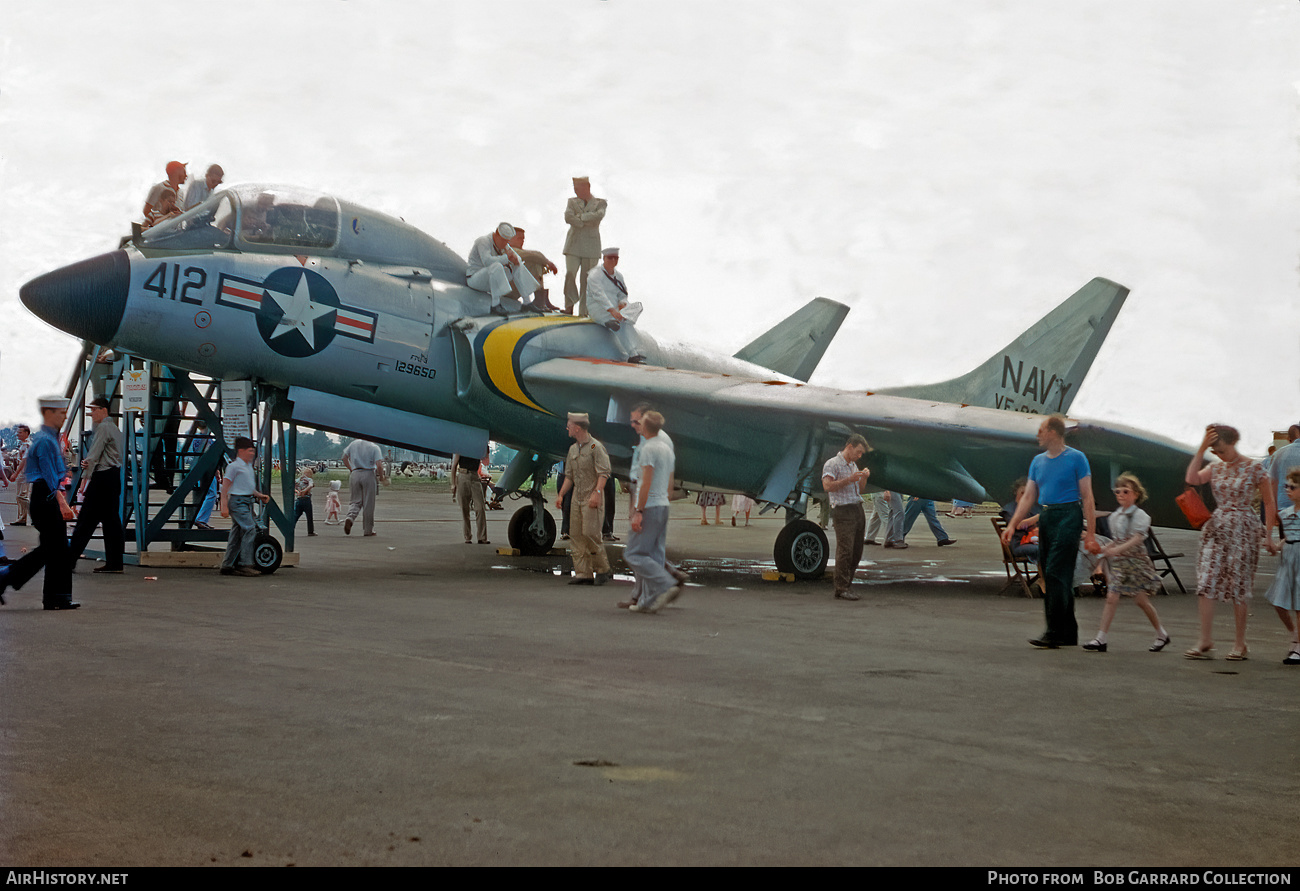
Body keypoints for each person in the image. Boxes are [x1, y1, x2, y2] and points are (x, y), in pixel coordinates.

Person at [1003, 414, 1097, 649]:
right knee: (1054, 572)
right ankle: (1068, 632)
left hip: (1069, 514)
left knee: (1056, 570)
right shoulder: (1037, 461)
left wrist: (1092, 533)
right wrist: (1013, 523)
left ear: (1053, 432)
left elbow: (1087, 496)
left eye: (1042, 430)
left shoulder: (1077, 458)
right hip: (1047, 516)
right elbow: (1029, 496)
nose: (1038, 435)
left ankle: (1053, 631)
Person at [1184, 424, 1276, 660]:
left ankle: (1240, 643)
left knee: (1239, 584)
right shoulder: (1215, 467)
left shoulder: (1254, 468)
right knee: (1206, 581)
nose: (1218, 454)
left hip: (1244, 528)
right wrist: (1202, 448)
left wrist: (1268, 534)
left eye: (1221, 449)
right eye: (1214, 451)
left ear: (1233, 443)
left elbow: (1268, 502)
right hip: (1217, 527)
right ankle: (1205, 639)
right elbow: (1192, 478)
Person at [0, 397, 79, 609]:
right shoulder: (45, 441)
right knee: (54, 549)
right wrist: (62, 502)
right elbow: (49, 475)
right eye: (60, 413)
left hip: (47, 495)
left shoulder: (51, 439)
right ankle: (9, 579)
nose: (63, 417)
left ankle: (56, 597)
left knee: (55, 549)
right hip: (46, 496)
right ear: (48, 414)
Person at [1081, 473, 1171, 653]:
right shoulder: (1115, 516)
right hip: (1121, 564)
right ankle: (1101, 638)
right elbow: (1118, 539)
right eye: (1118, 492)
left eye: (1125, 491)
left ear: (1136, 494)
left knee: (1141, 601)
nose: (1121, 495)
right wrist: (1105, 549)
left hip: (1136, 563)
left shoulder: (1140, 516)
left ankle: (1161, 633)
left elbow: (1137, 539)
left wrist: (1116, 549)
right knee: (1112, 597)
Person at [624, 411, 680, 613]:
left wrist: (638, 510)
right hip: (662, 505)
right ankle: (647, 602)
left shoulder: (648, 449)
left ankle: (666, 583)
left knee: (634, 553)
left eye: (639, 423)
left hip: (650, 506)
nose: (635, 425)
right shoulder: (667, 448)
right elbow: (670, 480)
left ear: (646, 427)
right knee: (655, 553)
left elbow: (646, 482)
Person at [67, 396, 125, 573]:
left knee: (86, 520)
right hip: (114, 477)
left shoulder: (103, 428)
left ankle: (68, 562)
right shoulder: (115, 429)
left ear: (103, 410)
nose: (91, 413)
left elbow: (93, 456)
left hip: (102, 478)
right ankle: (115, 563)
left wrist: (85, 479)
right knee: (111, 522)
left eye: (93, 409)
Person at [554, 413, 611, 586]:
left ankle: (603, 569)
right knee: (576, 535)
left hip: (591, 497)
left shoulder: (595, 446)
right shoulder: (573, 449)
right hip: (576, 499)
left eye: (569, 424)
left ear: (577, 427)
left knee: (591, 533)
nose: (567, 427)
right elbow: (569, 476)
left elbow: (604, 472)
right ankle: (583, 573)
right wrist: (561, 495)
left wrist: (597, 493)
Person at [822, 434, 871, 601]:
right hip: (843, 510)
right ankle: (841, 587)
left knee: (856, 551)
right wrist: (849, 479)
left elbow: (860, 489)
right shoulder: (832, 464)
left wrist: (862, 478)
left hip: (856, 508)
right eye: (858, 452)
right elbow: (827, 486)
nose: (859, 456)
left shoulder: (853, 465)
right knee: (846, 550)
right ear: (849, 446)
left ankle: (846, 584)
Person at [219, 436, 270, 577]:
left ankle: (227, 565)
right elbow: (225, 488)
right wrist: (224, 507)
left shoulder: (247, 467)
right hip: (238, 502)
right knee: (250, 529)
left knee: (236, 534)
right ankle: (245, 564)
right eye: (249, 451)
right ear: (240, 451)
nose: (252, 454)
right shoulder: (233, 467)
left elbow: (246, 487)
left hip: (246, 501)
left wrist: (259, 495)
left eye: (253, 451)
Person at [466, 222, 539, 317]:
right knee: (496, 266)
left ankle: (527, 303)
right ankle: (495, 305)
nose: (505, 243)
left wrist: (515, 260)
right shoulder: (483, 241)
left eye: (507, 241)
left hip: (490, 278)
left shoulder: (503, 244)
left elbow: (517, 259)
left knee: (517, 266)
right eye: (503, 240)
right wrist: (506, 258)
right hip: (475, 279)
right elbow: (487, 262)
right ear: (496, 234)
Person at [585, 247, 644, 362]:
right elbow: (599, 295)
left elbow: (623, 295)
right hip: (598, 308)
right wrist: (612, 310)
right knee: (618, 324)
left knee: (629, 316)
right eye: (610, 258)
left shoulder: (619, 276)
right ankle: (632, 354)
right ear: (604, 258)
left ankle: (636, 351)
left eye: (615, 258)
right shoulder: (594, 275)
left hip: (615, 309)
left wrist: (623, 304)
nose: (613, 260)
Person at [1266, 467, 1300, 665]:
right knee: (1278, 602)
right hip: (1288, 559)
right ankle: (1294, 634)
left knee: (1298, 605)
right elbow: (1289, 537)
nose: (1287, 489)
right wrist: (1276, 546)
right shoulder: (1285, 514)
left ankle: (1298, 646)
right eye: (1286, 486)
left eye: (1292, 487)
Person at [563, 175, 607, 315]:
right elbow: (568, 217)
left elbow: (598, 217)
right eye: (574, 188)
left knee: (586, 281)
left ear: (587, 187)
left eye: (578, 188)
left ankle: (584, 312)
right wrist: (585, 221)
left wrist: (580, 218)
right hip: (573, 244)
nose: (575, 191)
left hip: (591, 246)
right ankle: (569, 304)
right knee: (570, 273)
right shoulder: (572, 202)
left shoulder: (600, 203)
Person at [507, 227, 560, 312]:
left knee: (536, 263)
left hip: (513, 289)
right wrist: (548, 263)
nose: (522, 241)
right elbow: (533, 255)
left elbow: (535, 255)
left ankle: (541, 300)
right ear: (509, 239)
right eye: (519, 238)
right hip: (505, 291)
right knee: (534, 262)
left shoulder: (517, 251)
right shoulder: (508, 250)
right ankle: (540, 301)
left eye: (523, 239)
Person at [342, 438, 385, 536]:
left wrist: (351, 469)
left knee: (355, 500)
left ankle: (350, 517)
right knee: (368, 503)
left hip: (355, 473)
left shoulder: (353, 444)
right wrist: (381, 477)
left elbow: (344, 458)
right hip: (368, 473)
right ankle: (368, 529)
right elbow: (379, 465)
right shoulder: (374, 447)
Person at [452, 451, 490, 544]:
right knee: (465, 509)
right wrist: (453, 484)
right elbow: (454, 466)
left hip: (474, 476)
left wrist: (486, 450)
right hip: (463, 475)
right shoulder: (460, 448)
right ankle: (467, 536)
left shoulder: (477, 448)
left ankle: (482, 537)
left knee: (480, 508)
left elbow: (486, 462)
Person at [1000, 478, 1040, 562]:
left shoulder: (1036, 507)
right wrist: (1038, 517)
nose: (1025, 496)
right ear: (1016, 492)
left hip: (1036, 541)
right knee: (1045, 550)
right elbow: (1018, 526)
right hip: (1020, 544)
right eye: (1022, 492)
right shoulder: (1010, 508)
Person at [1266, 424, 1300, 523]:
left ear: (1289, 438)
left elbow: (1272, 482)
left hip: (1284, 508)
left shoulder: (1279, 454)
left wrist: (1274, 508)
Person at [11, 424, 31, 525]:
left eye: (20, 432)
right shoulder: (22, 444)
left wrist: (15, 473)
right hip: (22, 474)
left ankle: (36, 515)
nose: (17, 434)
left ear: (26, 433)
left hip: (25, 473)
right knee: (19, 496)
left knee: (22, 496)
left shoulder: (28, 445)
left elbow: (24, 461)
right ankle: (22, 518)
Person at [293, 465, 316, 537]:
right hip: (306, 499)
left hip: (299, 499)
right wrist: (305, 491)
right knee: (309, 516)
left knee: (295, 515)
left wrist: (297, 491)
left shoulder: (298, 479)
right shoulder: (309, 480)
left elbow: (292, 485)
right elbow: (311, 485)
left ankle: (290, 528)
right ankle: (310, 531)